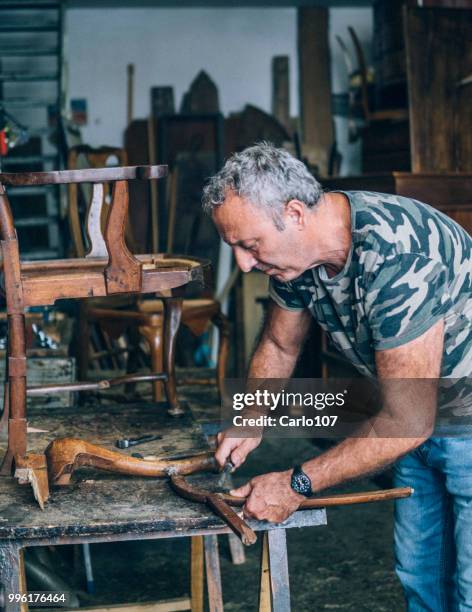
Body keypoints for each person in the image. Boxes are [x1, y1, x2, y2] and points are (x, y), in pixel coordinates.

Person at [202, 143, 472, 610]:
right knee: (420, 575)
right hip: (413, 416)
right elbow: (280, 344)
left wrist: (293, 484)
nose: (245, 264)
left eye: (249, 245)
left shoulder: (397, 254)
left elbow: (408, 420)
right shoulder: (296, 258)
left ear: (294, 213)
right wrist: (250, 416)